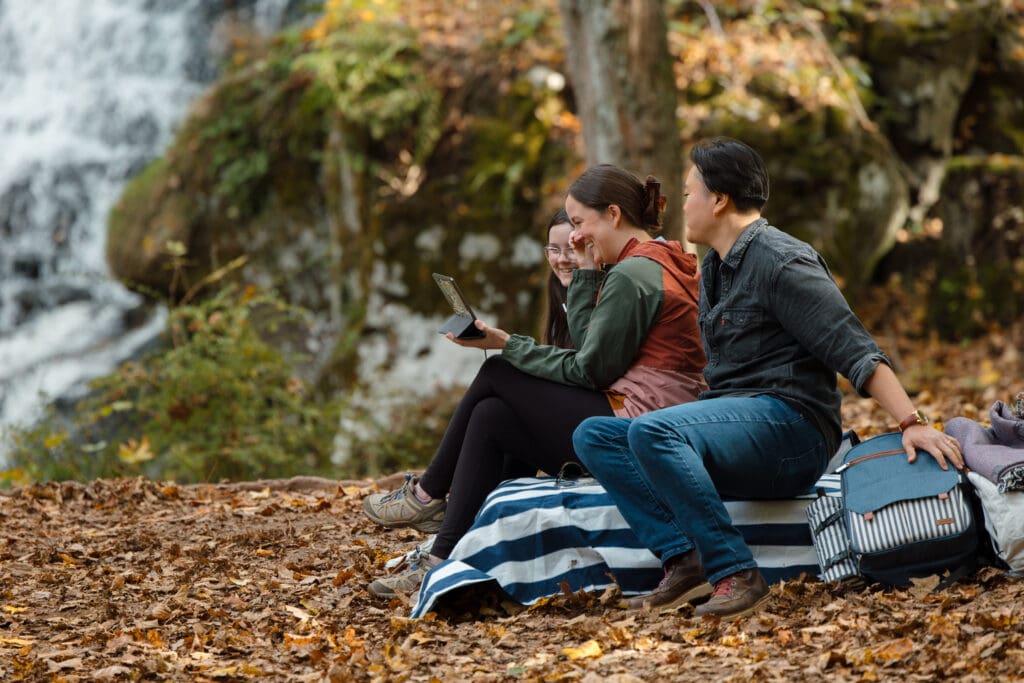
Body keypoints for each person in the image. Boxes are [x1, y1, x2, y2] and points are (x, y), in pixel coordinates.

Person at [573, 138, 965, 619]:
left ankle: (736, 573)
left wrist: (912, 422)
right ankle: (686, 561)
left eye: (691, 191)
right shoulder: (715, 265)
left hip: (793, 432)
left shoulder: (781, 260)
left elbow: (854, 348)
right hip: (739, 429)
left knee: (655, 429)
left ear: (719, 200)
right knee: (596, 435)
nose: (684, 204)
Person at [362, 168, 708, 598]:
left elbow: (589, 370)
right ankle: (442, 559)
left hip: (636, 423)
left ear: (614, 214)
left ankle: (428, 495)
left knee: (498, 372)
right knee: (492, 416)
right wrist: (585, 270)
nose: (576, 237)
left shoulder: (633, 274)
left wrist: (508, 344)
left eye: (579, 224)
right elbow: (590, 349)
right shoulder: (659, 259)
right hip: (644, 411)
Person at [541, 208, 576, 348]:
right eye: (554, 249)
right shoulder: (558, 291)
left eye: (572, 249)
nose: (562, 259)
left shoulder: (605, 295)